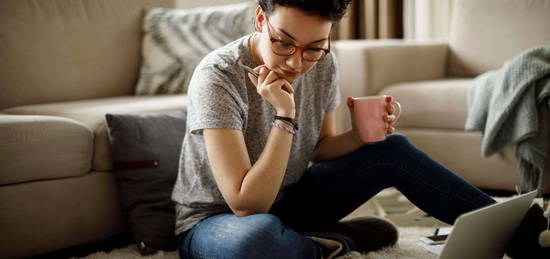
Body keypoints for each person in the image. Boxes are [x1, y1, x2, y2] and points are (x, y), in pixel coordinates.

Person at [171, 0, 549, 258]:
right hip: (218, 222)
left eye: (314, 47)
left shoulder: (322, 62)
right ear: (260, 20)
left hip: (292, 200)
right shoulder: (218, 77)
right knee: (253, 243)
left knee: (392, 149)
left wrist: (361, 137)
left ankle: (529, 234)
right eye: (283, 43)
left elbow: (319, 148)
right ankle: (332, 242)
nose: (297, 62)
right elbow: (246, 204)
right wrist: (285, 115)